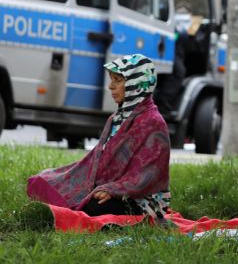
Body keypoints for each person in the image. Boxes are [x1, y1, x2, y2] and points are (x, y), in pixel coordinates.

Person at [27, 54, 171, 219]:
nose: (110, 86)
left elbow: (148, 175)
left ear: (136, 84)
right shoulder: (117, 118)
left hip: (143, 201)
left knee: (92, 207)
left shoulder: (153, 122)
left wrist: (113, 190)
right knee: (47, 181)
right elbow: (98, 159)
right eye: (111, 80)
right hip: (112, 189)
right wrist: (102, 186)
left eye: (117, 80)